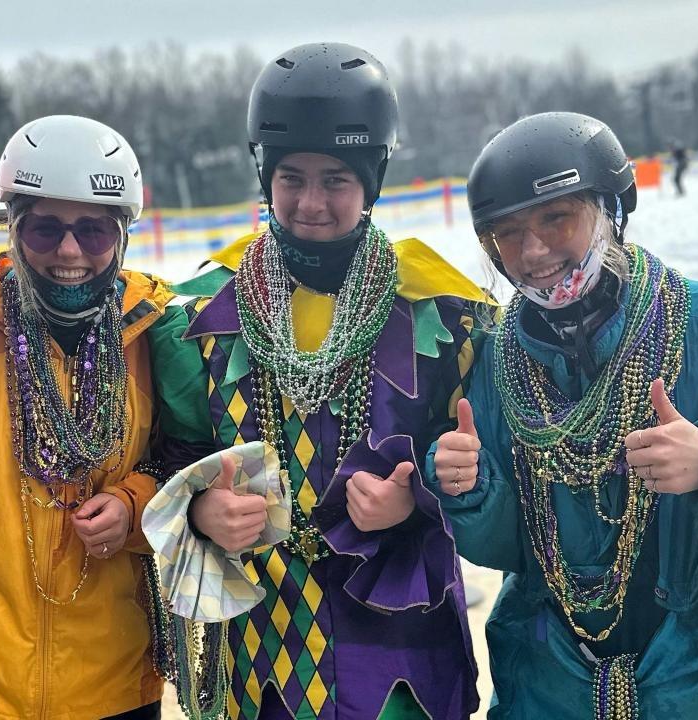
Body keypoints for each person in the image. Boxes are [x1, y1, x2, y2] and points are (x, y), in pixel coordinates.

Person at [435, 111, 698, 718]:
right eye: (508, 233)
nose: (532, 251)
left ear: (611, 210)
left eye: (556, 218)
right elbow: (519, 552)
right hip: (553, 688)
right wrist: (472, 490)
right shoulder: (497, 363)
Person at [150, 42, 489, 720]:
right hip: (263, 658)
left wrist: (416, 498)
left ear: (372, 180)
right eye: (291, 178)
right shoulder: (199, 322)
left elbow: (489, 476)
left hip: (400, 660)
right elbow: (169, 459)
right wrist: (201, 512)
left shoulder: (447, 316)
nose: (311, 202)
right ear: (264, 177)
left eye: (335, 179)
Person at [0, 115, 189, 720]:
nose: (69, 252)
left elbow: (191, 463)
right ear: (12, 227)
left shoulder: (157, 331)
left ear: (121, 235)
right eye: (44, 229)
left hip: (113, 685)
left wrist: (134, 507)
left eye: (93, 230)